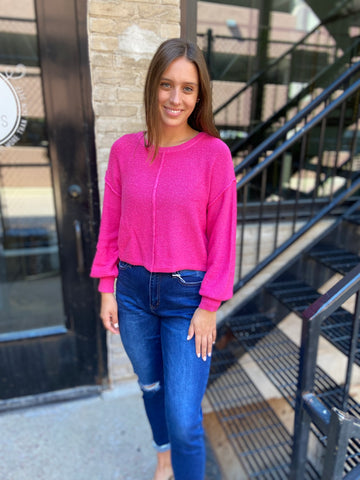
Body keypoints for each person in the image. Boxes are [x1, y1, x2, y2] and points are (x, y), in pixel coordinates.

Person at [90, 38, 237, 480]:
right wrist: (106, 287)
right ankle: (162, 456)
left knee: (185, 419)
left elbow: (223, 238)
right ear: (153, 85)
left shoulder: (214, 155)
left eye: (188, 89)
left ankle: (179, 457)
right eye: (168, 85)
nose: (176, 99)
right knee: (150, 386)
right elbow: (111, 223)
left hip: (186, 299)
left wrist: (210, 306)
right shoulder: (124, 151)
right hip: (132, 293)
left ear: (200, 95)